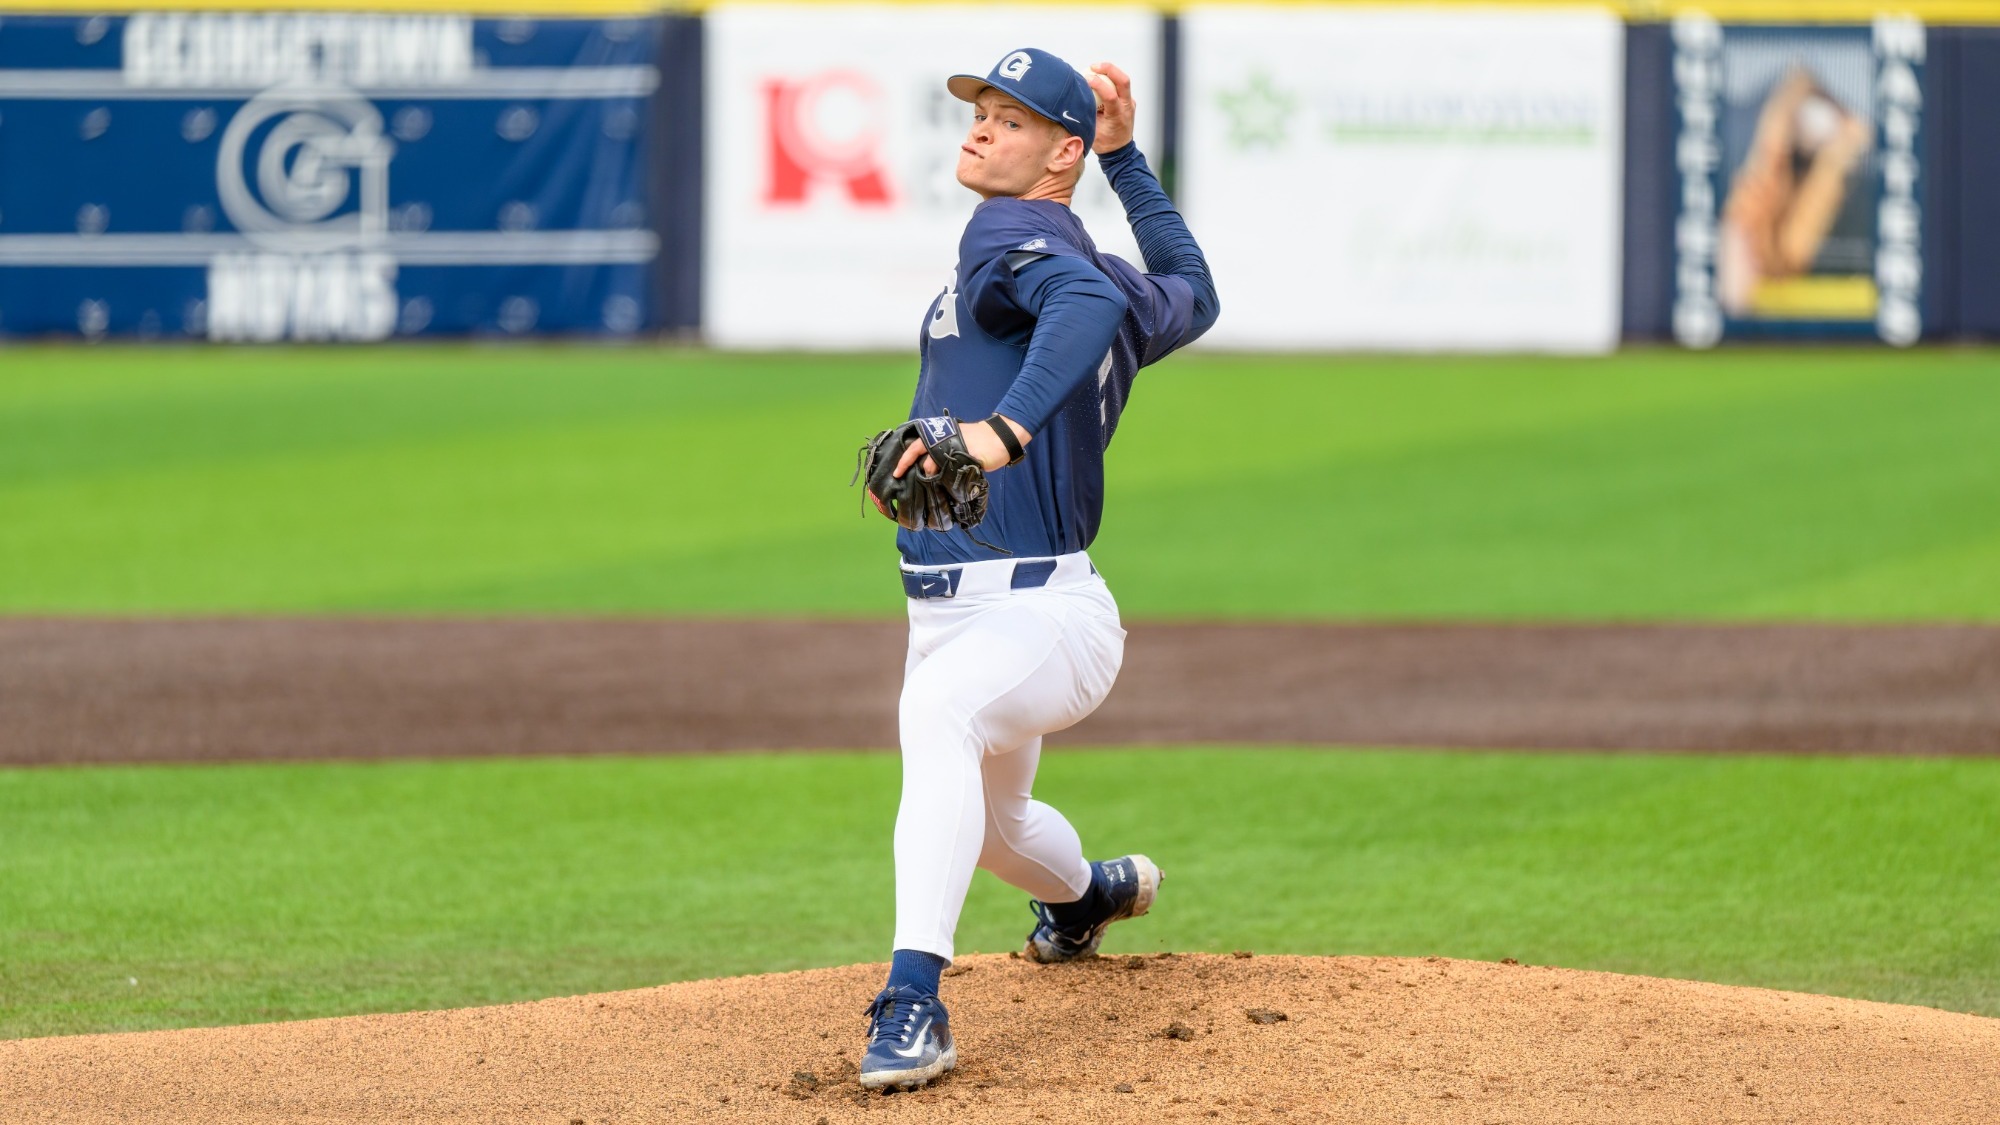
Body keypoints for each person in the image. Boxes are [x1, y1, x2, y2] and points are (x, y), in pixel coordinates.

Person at [854, 47, 1219, 1092]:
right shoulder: (1090, 265)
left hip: (1043, 611)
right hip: (959, 612)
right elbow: (1188, 290)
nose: (978, 129)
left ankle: (914, 1001)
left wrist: (1002, 432)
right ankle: (1082, 899)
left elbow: (1082, 306)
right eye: (980, 112)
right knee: (998, 827)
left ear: (1055, 153)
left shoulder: (1011, 235)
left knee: (938, 723)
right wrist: (1127, 158)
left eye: (1009, 121)